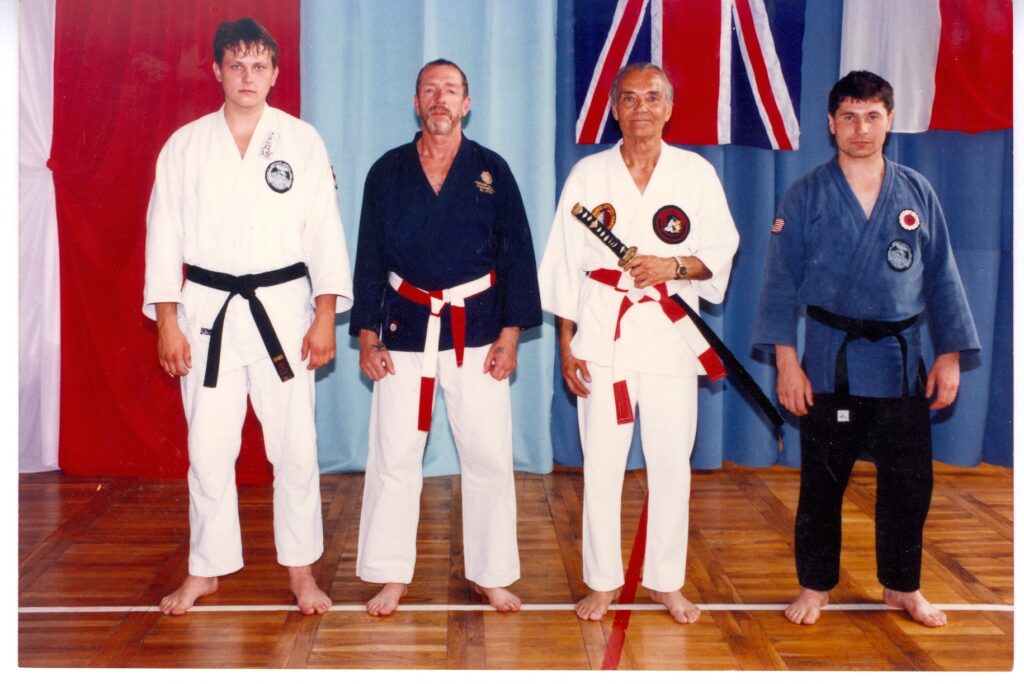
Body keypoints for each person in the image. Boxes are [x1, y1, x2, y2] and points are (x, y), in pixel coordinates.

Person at [752, 71, 979, 628]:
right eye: (849, 116)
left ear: (889, 121)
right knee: (822, 483)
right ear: (831, 123)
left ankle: (902, 586)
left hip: (901, 361)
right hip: (831, 360)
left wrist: (949, 354)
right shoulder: (805, 194)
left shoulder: (916, 191)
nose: (861, 128)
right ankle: (815, 586)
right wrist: (787, 362)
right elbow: (779, 283)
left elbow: (942, 277)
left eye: (872, 116)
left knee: (910, 482)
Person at [143, 18, 353, 616]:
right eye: (236, 65)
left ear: (275, 74)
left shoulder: (301, 141)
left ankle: (301, 572)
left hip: (283, 312)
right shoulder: (185, 146)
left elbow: (324, 233)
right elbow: (163, 236)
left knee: (295, 447)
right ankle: (205, 569)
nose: (247, 76)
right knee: (208, 448)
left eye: (259, 65)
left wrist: (324, 315)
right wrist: (167, 321)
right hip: (207, 313)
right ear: (216, 70)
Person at [539, 63, 739, 624]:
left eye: (653, 98)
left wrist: (672, 265)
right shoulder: (588, 175)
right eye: (629, 98)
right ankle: (602, 581)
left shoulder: (695, 173)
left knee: (671, 464)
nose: (641, 108)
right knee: (601, 463)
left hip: (671, 338)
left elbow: (721, 249)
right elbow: (564, 265)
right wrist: (566, 346)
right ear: (614, 108)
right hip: (603, 336)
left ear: (669, 108)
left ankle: (666, 582)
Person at [349, 59, 542, 616]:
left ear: (467, 103)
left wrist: (510, 334)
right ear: (416, 103)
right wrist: (367, 334)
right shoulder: (387, 171)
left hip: (477, 331)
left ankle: (491, 574)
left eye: (450, 90)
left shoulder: (492, 170)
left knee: (487, 455)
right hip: (403, 329)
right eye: (429, 90)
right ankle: (390, 575)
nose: (440, 99)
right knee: (394, 455)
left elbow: (517, 255)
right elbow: (369, 257)